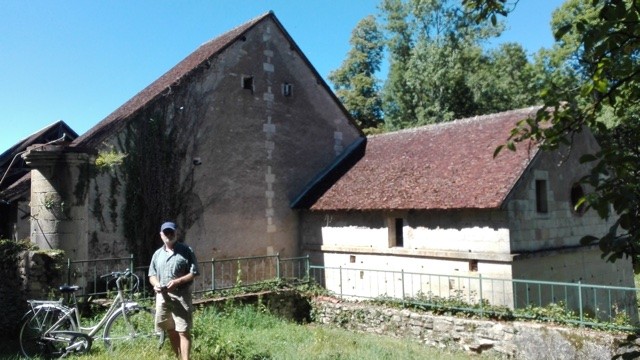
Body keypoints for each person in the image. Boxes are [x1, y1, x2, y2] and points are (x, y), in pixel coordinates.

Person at [148, 221, 199, 360]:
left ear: (177, 233)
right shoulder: (157, 254)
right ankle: (178, 357)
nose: (169, 235)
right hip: (163, 298)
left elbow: (194, 272)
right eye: (166, 233)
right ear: (161, 235)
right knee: (170, 329)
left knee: (183, 330)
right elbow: (151, 275)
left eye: (171, 232)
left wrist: (178, 281)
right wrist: (156, 284)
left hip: (181, 297)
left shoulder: (186, 250)